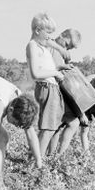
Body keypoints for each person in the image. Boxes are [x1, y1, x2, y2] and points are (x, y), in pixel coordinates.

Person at [26, 13, 67, 157]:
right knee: (48, 128)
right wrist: (55, 73)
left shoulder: (40, 45)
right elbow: (36, 73)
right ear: (37, 30)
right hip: (46, 87)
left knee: (50, 127)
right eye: (48, 33)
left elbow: (46, 64)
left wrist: (60, 66)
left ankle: (35, 157)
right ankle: (37, 162)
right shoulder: (32, 45)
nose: (50, 37)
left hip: (50, 87)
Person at [46, 29, 84, 155]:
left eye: (70, 48)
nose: (67, 49)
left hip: (56, 91)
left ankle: (53, 155)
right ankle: (51, 156)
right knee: (56, 126)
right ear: (62, 36)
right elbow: (51, 71)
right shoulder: (53, 49)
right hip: (51, 90)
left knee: (65, 124)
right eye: (67, 45)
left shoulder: (57, 51)